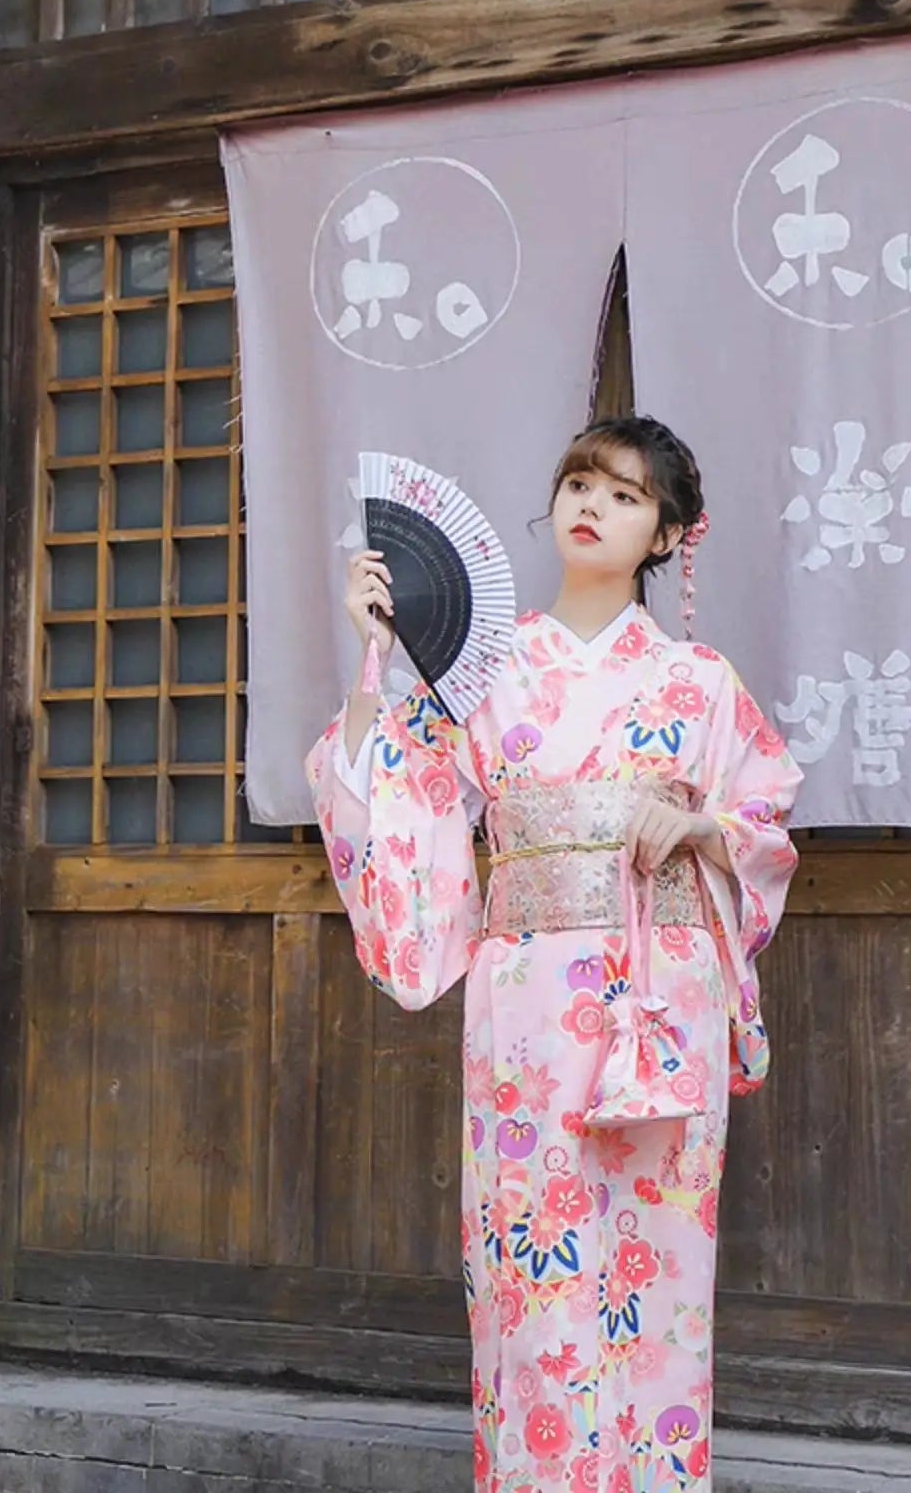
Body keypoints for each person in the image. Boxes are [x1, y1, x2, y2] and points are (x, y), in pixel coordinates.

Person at [306, 414, 803, 1493]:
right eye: (579, 482)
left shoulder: (702, 683)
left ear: (670, 534)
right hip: (528, 1005)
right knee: (532, 1261)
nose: (592, 504)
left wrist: (707, 828)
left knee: (659, 1262)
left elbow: (766, 822)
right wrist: (375, 656)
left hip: (662, 997)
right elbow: (398, 793)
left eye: (626, 494)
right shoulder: (486, 672)